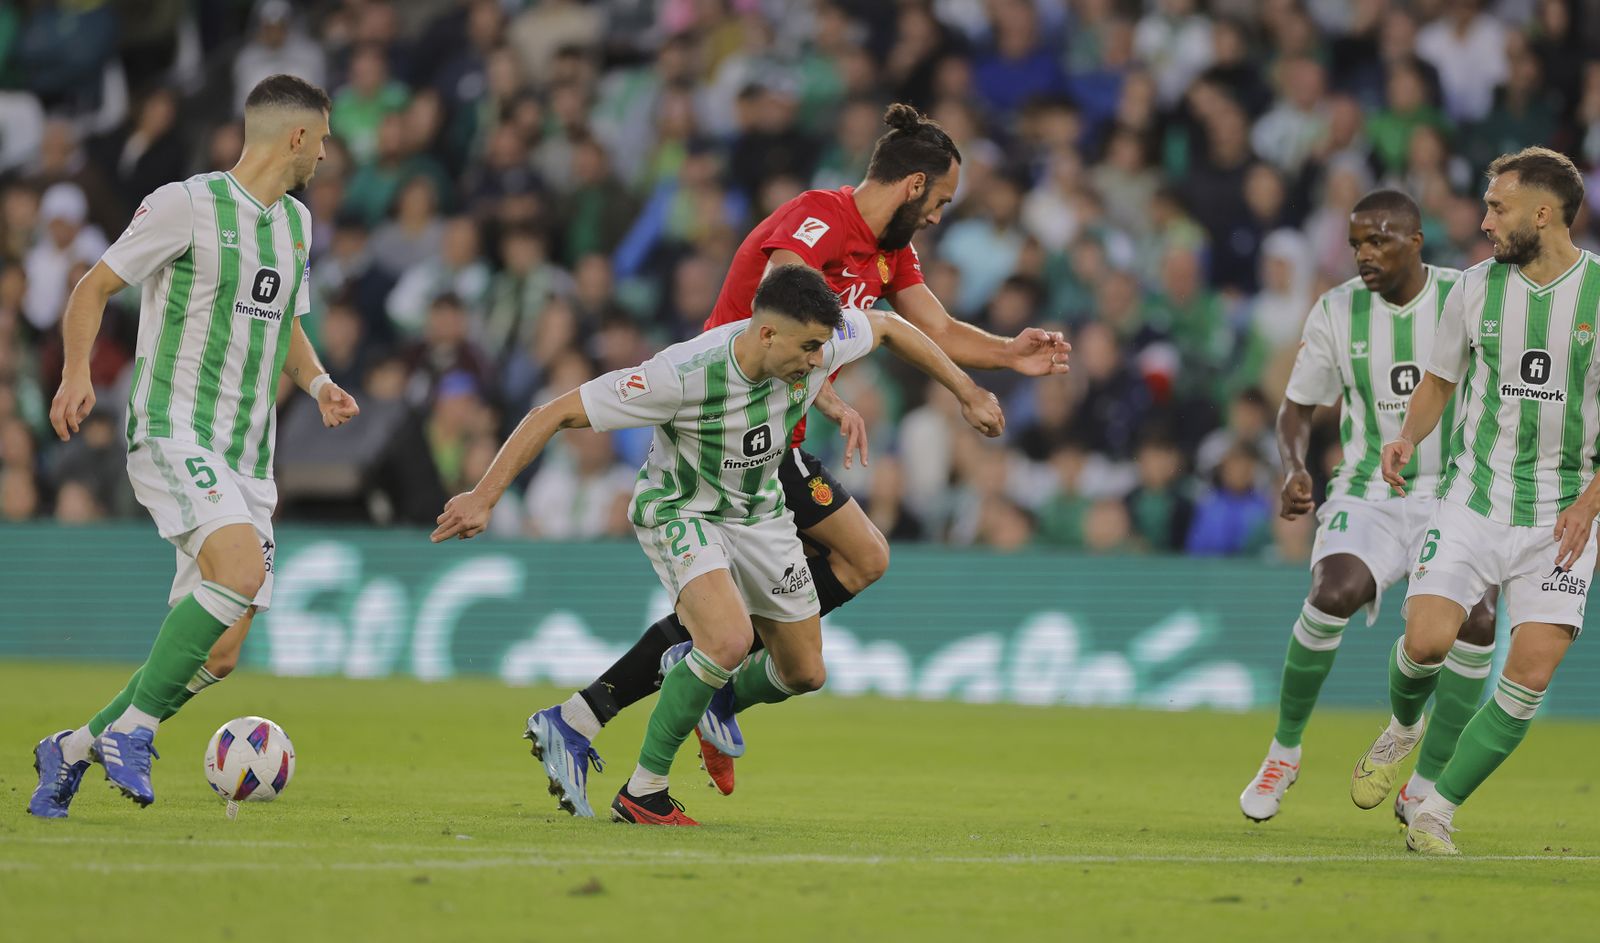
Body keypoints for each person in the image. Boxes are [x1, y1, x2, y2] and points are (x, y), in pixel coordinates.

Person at [522, 103, 1069, 813]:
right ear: (911, 186)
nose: (938, 215)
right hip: (725, 427)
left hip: (776, 433)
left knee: (845, 575)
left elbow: (924, 324)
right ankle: (624, 728)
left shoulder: (888, 254)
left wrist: (1002, 354)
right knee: (736, 624)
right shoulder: (819, 218)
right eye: (938, 201)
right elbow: (778, 297)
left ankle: (650, 703)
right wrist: (825, 386)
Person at [432, 264, 1003, 823]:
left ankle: (702, 689)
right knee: (729, 638)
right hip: (682, 509)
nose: (815, 364)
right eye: (806, 350)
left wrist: (967, 390)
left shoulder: (819, 345)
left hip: (762, 514)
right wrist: (484, 496)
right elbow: (552, 412)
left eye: (821, 351)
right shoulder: (679, 374)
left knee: (805, 672)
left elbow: (887, 325)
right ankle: (645, 791)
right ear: (766, 332)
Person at [27, 75, 360, 817]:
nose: (329, 151)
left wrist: (318, 383)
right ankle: (134, 731)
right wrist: (76, 372)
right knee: (236, 570)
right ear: (297, 138)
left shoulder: (297, 225)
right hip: (175, 429)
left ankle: (75, 746)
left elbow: (285, 325)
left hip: (248, 458)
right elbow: (92, 285)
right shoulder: (188, 204)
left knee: (217, 653)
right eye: (325, 137)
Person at [1357, 148, 1600, 855]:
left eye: (1498, 207)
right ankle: (1405, 725)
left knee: (1530, 672)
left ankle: (1435, 809)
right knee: (1428, 640)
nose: (1484, 219)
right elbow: (1438, 379)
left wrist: (1590, 503)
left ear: (1543, 213)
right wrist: (1405, 437)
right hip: (1473, 498)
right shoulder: (1472, 289)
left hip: (1562, 515)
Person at [1238, 189, 1498, 826]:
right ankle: (1284, 752)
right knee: (1334, 592)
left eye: (1378, 240)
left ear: (1415, 241)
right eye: (1356, 242)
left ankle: (1425, 782)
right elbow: (1298, 406)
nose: (1364, 254)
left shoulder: (1464, 296)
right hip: (1368, 486)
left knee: (1480, 624)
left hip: (1455, 491)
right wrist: (1296, 467)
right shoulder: (1335, 310)